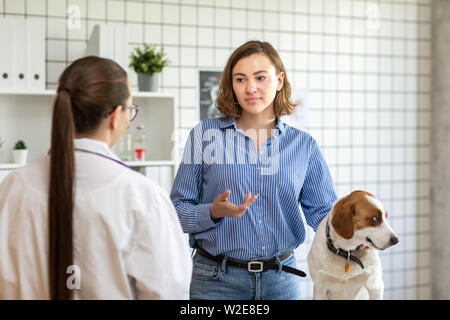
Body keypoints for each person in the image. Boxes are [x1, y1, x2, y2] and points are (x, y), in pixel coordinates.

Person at [0, 56, 192, 299]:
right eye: (130, 110)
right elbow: (168, 292)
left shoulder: (12, 187)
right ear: (114, 115)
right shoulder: (143, 196)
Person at [170, 41, 337, 300]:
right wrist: (213, 212)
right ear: (231, 84)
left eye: (261, 77)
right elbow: (176, 213)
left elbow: (326, 216)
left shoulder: (304, 146)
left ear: (279, 80)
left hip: (283, 280)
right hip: (216, 281)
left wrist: (359, 232)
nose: (250, 88)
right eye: (240, 79)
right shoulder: (203, 136)